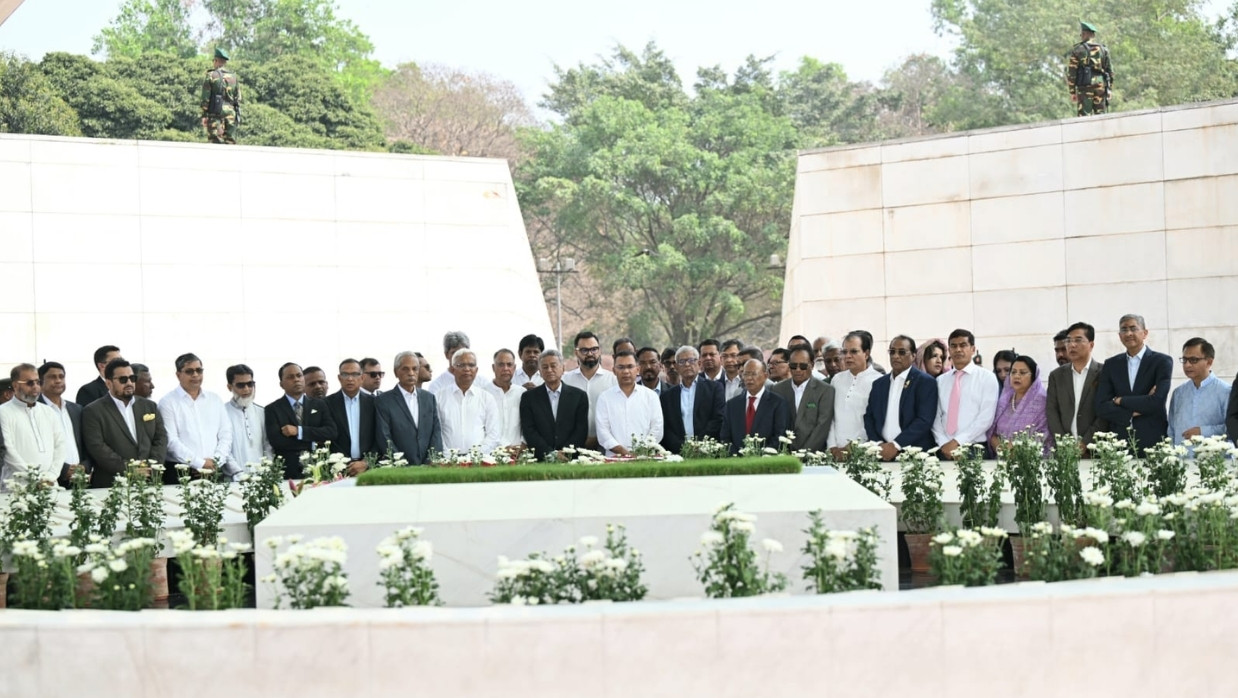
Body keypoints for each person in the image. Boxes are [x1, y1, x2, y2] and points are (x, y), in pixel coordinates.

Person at [81, 359, 169, 488]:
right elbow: (97, 447)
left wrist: (151, 467)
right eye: (123, 379)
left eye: (132, 378)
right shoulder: (93, 411)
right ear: (108, 383)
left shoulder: (149, 406)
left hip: (149, 481)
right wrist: (130, 469)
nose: (129, 383)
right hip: (113, 484)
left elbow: (160, 438)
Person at [1094, 314, 1173, 452]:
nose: (1129, 333)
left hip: (1152, 439)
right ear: (1119, 335)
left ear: (1145, 333)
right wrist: (1132, 412)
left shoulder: (1161, 362)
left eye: (1133, 328)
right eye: (1124, 330)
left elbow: (1156, 402)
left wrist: (1119, 400)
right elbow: (1101, 406)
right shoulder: (1111, 364)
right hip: (1119, 441)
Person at [158, 353, 233, 481]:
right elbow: (171, 440)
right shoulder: (168, 402)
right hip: (182, 472)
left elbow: (226, 434)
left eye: (199, 370)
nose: (195, 375)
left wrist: (215, 462)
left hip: (214, 470)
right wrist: (200, 463)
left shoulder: (214, 399)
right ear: (178, 375)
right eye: (189, 371)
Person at [864, 336, 939, 460]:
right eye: (892, 352)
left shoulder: (925, 382)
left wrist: (896, 445)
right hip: (881, 454)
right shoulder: (879, 384)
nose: (895, 356)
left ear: (914, 355)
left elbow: (924, 419)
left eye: (902, 352)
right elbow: (869, 417)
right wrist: (878, 445)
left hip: (914, 455)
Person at [932, 329, 1000, 459]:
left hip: (974, 449)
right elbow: (936, 416)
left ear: (973, 349)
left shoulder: (987, 378)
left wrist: (957, 442)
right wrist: (944, 444)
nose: (958, 350)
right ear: (949, 351)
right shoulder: (941, 380)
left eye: (963, 345)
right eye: (953, 346)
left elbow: (985, 418)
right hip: (944, 449)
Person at [264, 363, 337, 478]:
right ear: (281, 384)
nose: (296, 379)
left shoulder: (320, 404)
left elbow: (331, 432)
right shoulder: (272, 409)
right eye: (290, 377)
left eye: (299, 375)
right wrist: (313, 442)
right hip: (288, 471)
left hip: (318, 469)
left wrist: (299, 431)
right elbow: (277, 441)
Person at [0, 364, 66, 489]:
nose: (35, 387)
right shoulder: (3, 412)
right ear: (15, 385)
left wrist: (51, 475)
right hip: (17, 484)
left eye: (38, 382)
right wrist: (34, 477)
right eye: (29, 383)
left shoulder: (48, 412)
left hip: (49, 484)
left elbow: (60, 445)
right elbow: (8, 450)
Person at [1046, 322, 1107, 451]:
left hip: (1095, 448)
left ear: (1091, 345)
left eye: (1078, 340)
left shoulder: (1104, 372)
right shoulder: (1056, 376)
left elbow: (1105, 413)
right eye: (1068, 341)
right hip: (1064, 451)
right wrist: (1064, 444)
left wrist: (1085, 444)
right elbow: (1052, 411)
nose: (1072, 345)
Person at [375, 351, 444, 465]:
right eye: (405, 369)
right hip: (399, 468)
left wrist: (432, 459)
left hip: (429, 466)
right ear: (396, 372)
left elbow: (436, 431)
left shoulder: (429, 398)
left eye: (415, 369)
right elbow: (384, 436)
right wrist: (399, 462)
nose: (411, 373)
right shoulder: (383, 401)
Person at [519, 349, 589, 461]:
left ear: (563, 368)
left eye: (553, 366)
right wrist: (550, 454)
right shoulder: (529, 398)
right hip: (541, 459)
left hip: (571, 458)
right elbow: (529, 430)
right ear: (540, 371)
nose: (549, 370)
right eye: (545, 367)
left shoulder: (579, 396)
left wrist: (566, 452)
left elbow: (581, 430)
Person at [596, 351, 664, 456]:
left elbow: (657, 429)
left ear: (637, 369)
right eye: (621, 367)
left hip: (645, 457)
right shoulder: (605, 398)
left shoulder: (651, 396)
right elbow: (603, 432)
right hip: (614, 458)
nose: (626, 371)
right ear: (614, 371)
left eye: (630, 366)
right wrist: (623, 452)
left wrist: (641, 450)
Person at [659, 346, 725, 454]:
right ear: (676, 366)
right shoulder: (667, 396)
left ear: (699, 364)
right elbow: (666, 427)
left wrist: (699, 446)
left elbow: (718, 419)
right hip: (678, 453)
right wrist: (683, 448)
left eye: (691, 360)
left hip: (708, 451)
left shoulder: (714, 389)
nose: (687, 365)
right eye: (682, 361)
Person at [1167, 338, 1231, 448]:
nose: (1187, 365)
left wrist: (1203, 431)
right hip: (1182, 460)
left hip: (1213, 461)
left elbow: (1232, 428)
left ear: (1209, 362)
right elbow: (1171, 429)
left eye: (1193, 360)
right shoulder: (1178, 393)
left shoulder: (1225, 391)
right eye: (1184, 360)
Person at [827, 332, 882, 459]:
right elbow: (830, 416)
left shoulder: (878, 381)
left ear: (866, 354)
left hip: (863, 452)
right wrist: (832, 447)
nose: (848, 356)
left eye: (854, 352)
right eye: (844, 352)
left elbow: (873, 421)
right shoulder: (837, 379)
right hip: (835, 453)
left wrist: (852, 447)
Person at [436, 349, 502, 454]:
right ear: (453, 370)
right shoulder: (439, 397)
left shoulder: (486, 398)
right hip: (448, 461)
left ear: (476, 370)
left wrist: (475, 455)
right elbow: (436, 433)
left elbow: (493, 434)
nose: (467, 369)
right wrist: (448, 455)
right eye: (461, 365)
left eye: (471, 365)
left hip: (479, 461)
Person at [770, 344, 834, 452]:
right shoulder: (777, 389)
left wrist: (804, 453)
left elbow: (822, 426)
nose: (798, 370)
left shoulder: (825, 390)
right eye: (793, 366)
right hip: (784, 454)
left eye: (803, 366)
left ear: (812, 365)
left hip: (813, 455)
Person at [719, 359, 789, 455]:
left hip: (765, 462)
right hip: (736, 462)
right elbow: (725, 436)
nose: (749, 378)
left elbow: (779, 435)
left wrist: (760, 456)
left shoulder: (777, 403)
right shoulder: (732, 404)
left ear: (765, 376)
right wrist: (736, 456)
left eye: (753, 374)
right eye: (746, 374)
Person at [561, 331, 617, 449]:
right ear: (576, 352)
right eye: (584, 350)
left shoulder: (612, 380)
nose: (590, 353)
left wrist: (599, 438)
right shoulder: (565, 380)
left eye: (594, 349)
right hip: (572, 444)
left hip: (606, 444)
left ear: (600, 350)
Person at [37, 361, 90, 485]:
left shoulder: (76, 409)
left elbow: (86, 443)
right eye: (52, 377)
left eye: (61, 376)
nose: (58, 380)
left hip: (80, 478)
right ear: (40, 382)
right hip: (51, 479)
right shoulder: (35, 410)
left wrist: (85, 466)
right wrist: (64, 469)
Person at [988, 355, 1052, 455]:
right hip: (1002, 459)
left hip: (1030, 460)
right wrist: (1002, 448)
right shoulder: (1004, 400)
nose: (1017, 376)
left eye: (1022, 373)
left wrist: (1015, 451)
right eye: (1013, 372)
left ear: (1033, 376)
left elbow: (1045, 435)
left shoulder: (1042, 402)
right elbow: (992, 432)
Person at [325, 358, 376, 475]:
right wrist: (340, 463)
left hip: (368, 467)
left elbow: (379, 437)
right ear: (339, 378)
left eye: (355, 374)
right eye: (345, 374)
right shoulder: (327, 404)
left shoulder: (374, 403)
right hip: (338, 469)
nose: (350, 379)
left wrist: (367, 461)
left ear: (362, 378)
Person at [223, 364, 271, 478]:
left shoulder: (262, 412)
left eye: (250, 384)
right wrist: (238, 473)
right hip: (233, 479)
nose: (246, 389)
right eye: (241, 385)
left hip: (261, 478)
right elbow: (223, 449)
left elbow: (267, 445)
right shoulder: (221, 413)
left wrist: (266, 469)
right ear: (229, 387)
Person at [483, 349, 526, 453]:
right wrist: (505, 447)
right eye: (501, 365)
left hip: (519, 453)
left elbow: (528, 423)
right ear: (493, 368)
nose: (505, 368)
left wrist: (523, 444)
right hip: (492, 453)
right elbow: (483, 426)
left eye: (509, 364)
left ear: (514, 368)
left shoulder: (522, 393)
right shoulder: (483, 394)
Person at [1066, 22, 1113, 117]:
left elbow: (1071, 73)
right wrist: (1109, 89)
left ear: (1084, 34)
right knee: (1101, 116)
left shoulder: (1078, 50)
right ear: (1093, 35)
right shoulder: (1103, 49)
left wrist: (1072, 91)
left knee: (1084, 117)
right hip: (1100, 85)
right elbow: (1110, 71)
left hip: (1084, 86)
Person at [201, 47, 241, 144]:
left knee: (215, 144)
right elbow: (238, 98)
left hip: (215, 114)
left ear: (216, 61)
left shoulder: (211, 75)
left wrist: (204, 115)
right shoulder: (233, 76)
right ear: (225, 62)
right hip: (231, 115)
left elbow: (205, 99)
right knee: (230, 144)